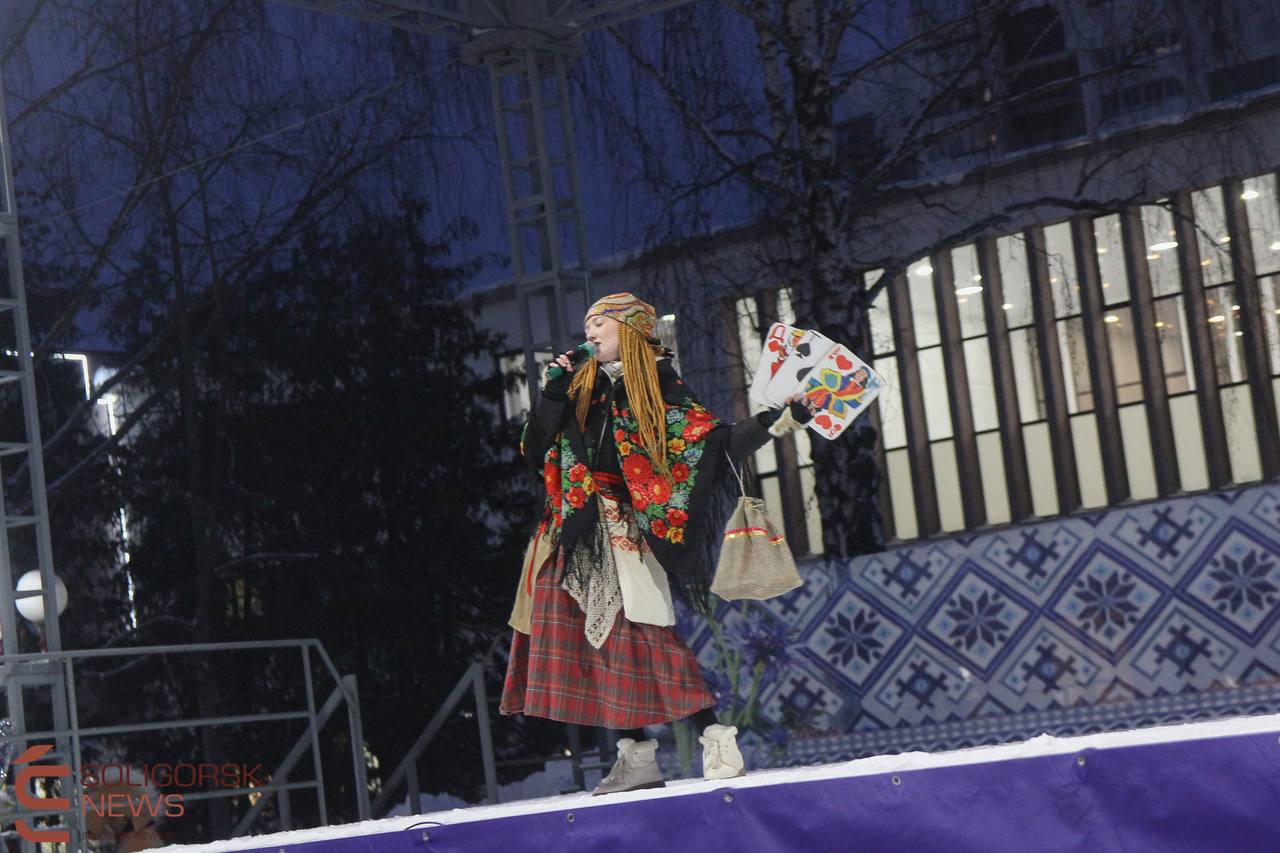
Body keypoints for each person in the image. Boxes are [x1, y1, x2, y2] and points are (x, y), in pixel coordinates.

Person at [500, 292, 811, 795]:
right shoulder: (575, 386)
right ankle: (637, 757)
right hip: (571, 529)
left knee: (644, 640)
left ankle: (716, 738)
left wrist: (772, 423)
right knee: (594, 648)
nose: (590, 332)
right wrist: (553, 392)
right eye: (587, 324)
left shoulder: (658, 386)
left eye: (600, 323)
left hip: (622, 532)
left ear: (629, 330)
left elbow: (713, 445)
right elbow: (536, 449)